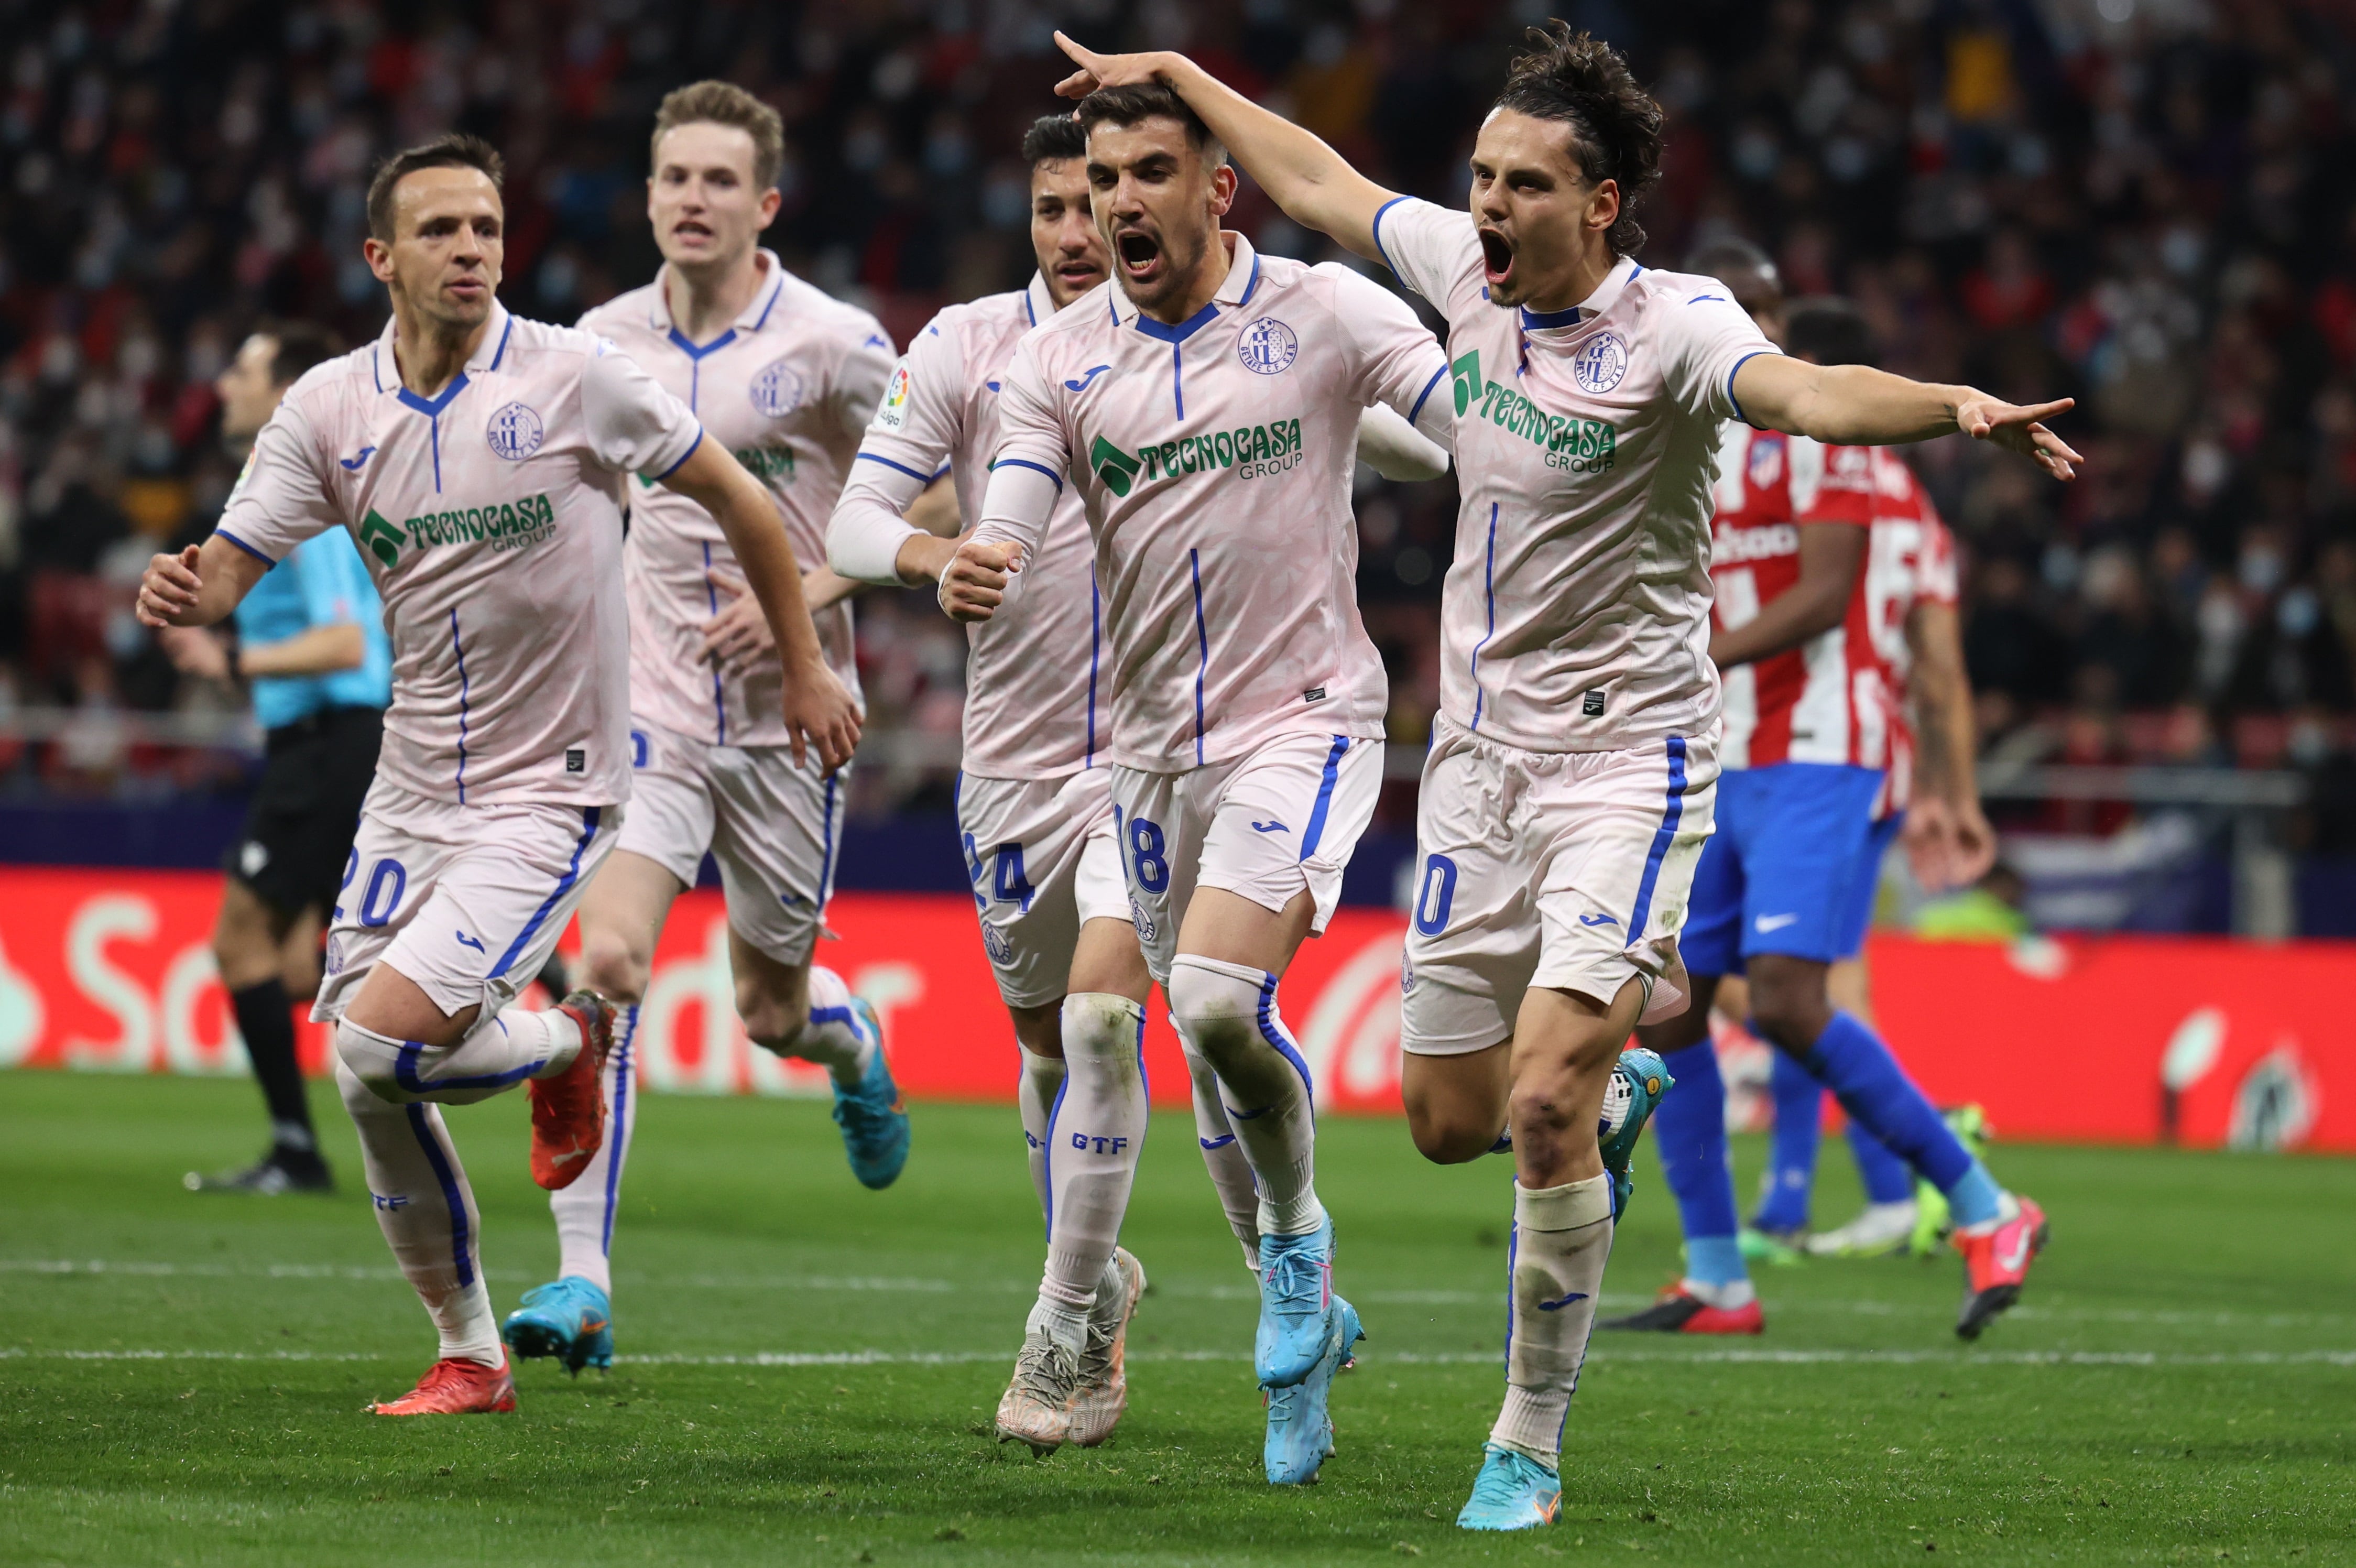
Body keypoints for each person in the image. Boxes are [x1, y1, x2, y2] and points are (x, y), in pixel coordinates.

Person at [1045, 22, 2080, 1531]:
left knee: (1535, 1105)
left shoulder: (1679, 325)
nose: (1484, 207)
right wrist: (1185, 83)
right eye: (1476, 178)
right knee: (1446, 1122)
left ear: (1600, 202)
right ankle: (1619, 1083)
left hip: (1630, 765)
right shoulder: (1467, 281)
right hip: (1479, 766)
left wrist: (1955, 407)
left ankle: (1524, 1441)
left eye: (1521, 183)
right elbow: (1321, 180)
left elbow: (1803, 391)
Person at [135, 132, 857, 1418]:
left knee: (380, 1037)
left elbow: (748, 505)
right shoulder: (328, 411)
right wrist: (182, 582)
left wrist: (806, 668)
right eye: (441, 231)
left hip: (556, 781)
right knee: (364, 1071)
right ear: (382, 257)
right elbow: (233, 568)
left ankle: (569, 1037)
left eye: (486, 227)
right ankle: (471, 1349)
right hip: (412, 783)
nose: (472, 248)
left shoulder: (579, 374)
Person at [833, 111, 1449, 1458]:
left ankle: (1107, 1313)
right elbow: (945, 515)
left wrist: (1532, 432)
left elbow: (1447, 428)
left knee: (1175, 1012)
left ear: (1214, 190)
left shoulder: (1318, 311)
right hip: (1067, 761)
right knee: (1063, 1045)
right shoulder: (1012, 356)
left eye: (1126, 180)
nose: (1096, 215)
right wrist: (946, 557)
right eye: (1077, 192)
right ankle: (1219, 1285)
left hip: (1289, 724)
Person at [496, 80, 908, 1379]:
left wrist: (814, 608)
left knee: (768, 1008)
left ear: (764, 205)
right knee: (603, 967)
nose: (692, 198)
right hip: (649, 714)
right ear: (651, 193)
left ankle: (849, 1044)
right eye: (674, 176)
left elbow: (931, 499)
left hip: (794, 721)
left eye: (719, 181)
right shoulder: (596, 340)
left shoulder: (837, 346)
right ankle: (583, 1278)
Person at [167, 322, 388, 1197]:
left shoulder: (310, 492)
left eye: (244, 369)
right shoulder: (280, 489)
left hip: (333, 743)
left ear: (287, 389)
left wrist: (231, 661)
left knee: (238, 943)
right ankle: (539, 986)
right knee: (302, 969)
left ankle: (296, 1148)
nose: (225, 383)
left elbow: (342, 642)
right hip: (324, 743)